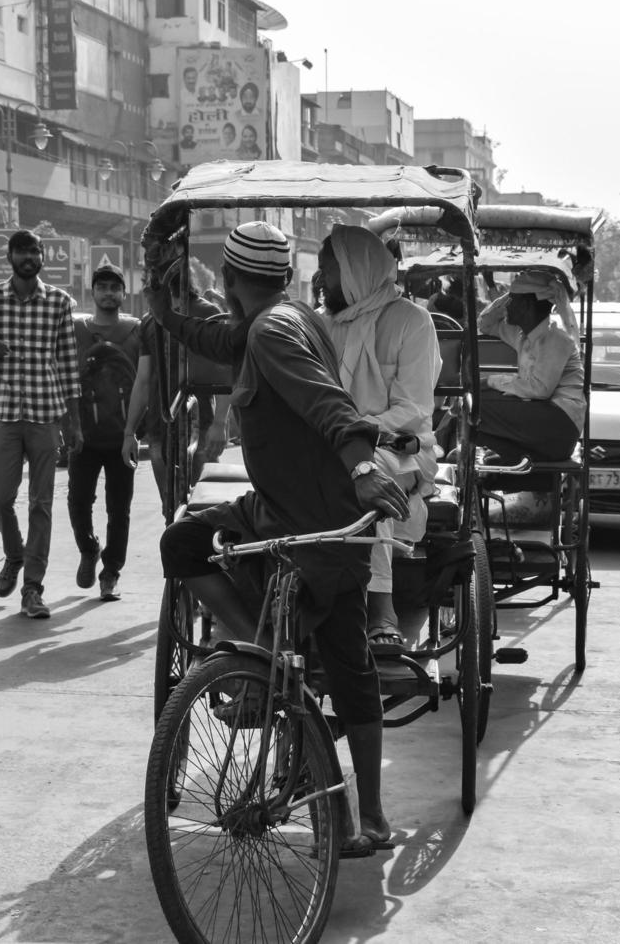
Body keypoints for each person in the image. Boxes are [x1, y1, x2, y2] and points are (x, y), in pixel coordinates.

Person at [149, 220, 410, 852]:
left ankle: (255, 648)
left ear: (230, 279)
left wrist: (363, 463)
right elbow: (218, 335)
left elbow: (326, 403)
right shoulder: (288, 319)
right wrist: (167, 314)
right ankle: (369, 814)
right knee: (349, 668)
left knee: (180, 545)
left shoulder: (272, 333)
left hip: (301, 518)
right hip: (306, 514)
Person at [317, 225, 442, 655]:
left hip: (399, 448)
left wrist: (356, 434)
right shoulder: (322, 324)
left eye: (328, 272)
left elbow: (413, 409)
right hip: (331, 445)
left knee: (367, 480)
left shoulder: (411, 321)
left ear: (355, 272)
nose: (321, 282)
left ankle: (381, 609)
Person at [0, 229, 83, 620]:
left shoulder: (58, 303)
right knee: (1, 499)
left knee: (41, 503)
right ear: (11, 258)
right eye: (22, 251)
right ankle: (14, 555)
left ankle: (33, 588)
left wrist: (75, 424)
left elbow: (69, 364)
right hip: (4, 413)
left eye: (35, 251)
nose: (29, 257)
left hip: (45, 414)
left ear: (41, 257)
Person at [68, 264, 141, 602]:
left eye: (115, 287)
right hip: (83, 434)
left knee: (119, 508)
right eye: (103, 287)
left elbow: (146, 380)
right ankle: (89, 546)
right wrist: (67, 425)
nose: (109, 293)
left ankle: (111, 571)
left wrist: (137, 430)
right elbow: (64, 377)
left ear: (123, 293)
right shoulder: (76, 330)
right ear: (93, 292)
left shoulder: (136, 331)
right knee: (78, 501)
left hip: (123, 436)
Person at [123, 282, 228, 510]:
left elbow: (224, 369)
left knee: (206, 511)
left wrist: (220, 423)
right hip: (159, 430)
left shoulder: (207, 313)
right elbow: (143, 379)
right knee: (170, 511)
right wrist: (129, 432)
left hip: (199, 429)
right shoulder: (150, 320)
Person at [475, 270, 586, 463]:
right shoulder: (521, 334)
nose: (508, 306)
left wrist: (491, 382)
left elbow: (539, 389)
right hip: (542, 418)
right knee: (472, 402)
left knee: (476, 406)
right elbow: (485, 323)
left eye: (513, 301)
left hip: (560, 426)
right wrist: (509, 295)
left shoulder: (555, 337)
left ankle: (512, 455)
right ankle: (511, 457)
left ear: (526, 306)